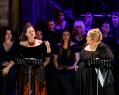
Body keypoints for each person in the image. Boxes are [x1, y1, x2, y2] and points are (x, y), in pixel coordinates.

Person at [75, 28, 115, 95]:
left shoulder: (103, 47)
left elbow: (110, 62)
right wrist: (79, 65)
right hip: (85, 75)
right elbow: (83, 58)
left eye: (88, 36)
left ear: (94, 38)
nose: (86, 37)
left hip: (98, 76)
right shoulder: (86, 45)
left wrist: (96, 62)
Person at [17, 26, 51, 95]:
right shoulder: (21, 44)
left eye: (33, 31)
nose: (32, 33)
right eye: (29, 31)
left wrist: (48, 47)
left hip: (38, 69)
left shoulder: (41, 43)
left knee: (37, 88)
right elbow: (17, 57)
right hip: (26, 69)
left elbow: (47, 56)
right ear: (26, 34)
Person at [50, 30, 79, 95]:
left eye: (67, 34)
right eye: (64, 35)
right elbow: (55, 59)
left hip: (70, 69)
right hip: (60, 68)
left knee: (61, 77)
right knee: (59, 77)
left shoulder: (74, 45)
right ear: (62, 36)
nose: (65, 36)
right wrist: (57, 66)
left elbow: (77, 59)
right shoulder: (58, 46)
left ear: (70, 36)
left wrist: (73, 66)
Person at [0, 28, 18, 95]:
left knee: (10, 74)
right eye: (7, 33)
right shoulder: (0, 45)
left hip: (12, 66)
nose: (9, 35)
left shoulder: (15, 45)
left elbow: (15, 58)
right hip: (2, 65)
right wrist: (2, 63)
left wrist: (7, 67)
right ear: (4, 35)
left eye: (10, 34)